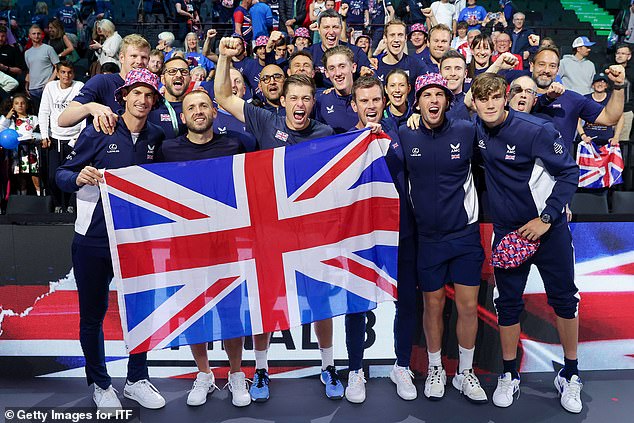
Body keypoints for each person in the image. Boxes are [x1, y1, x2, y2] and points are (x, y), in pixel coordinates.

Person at [214, 36, 339, 402]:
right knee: (266, 301)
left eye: (306, 99)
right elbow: (223, 96)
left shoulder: (325, 134)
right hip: (268, 232)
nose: (299, 104)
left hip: (310, 234)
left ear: (312, 103)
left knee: (321, 303)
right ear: (282, 101)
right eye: (293, 98)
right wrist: (223, 57)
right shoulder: (265, 121)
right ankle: (262, 370)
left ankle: (328, 366)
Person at [470, 73, 582, 413]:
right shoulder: (476, 130)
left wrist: (546, 218)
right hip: (507, 232)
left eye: (494, 98)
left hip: (548, 231)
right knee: (507, 304)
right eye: (481, 99)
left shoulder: (537, 131)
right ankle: (509, 375)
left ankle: (571, 374)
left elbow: (570, 173)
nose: (489, 104)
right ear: (474, 103)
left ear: (505, 98)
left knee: (564, 300)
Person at [55, 68, 166, 409]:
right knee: (93, 315)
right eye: (136, 93)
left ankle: (136, 379)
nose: (143, 100)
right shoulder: (99, 130)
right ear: (123, 97)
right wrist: (78, 177)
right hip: (93, 239)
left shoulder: (157, 137)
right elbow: (60, 173)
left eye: (149, 95)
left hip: (137, 239)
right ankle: (101, 384)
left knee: (141, 312)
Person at [158, 89, 250, 407]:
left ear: (214, 112)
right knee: (194, 313)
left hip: (228, 244)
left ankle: (236, 375)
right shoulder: (167, 150)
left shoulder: (236, 143)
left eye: (203, 106)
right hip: (186, 246)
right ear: (182, 117)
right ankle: (205, 374)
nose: (198, 111)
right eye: (191, 108)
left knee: (231, 313)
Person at [399, 73, 487, 404]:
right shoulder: (405, 134)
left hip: (464, 235)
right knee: (432, 305)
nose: (433, 100)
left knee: (467, 307)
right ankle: (436, 368)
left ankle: (465, 372)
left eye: (439, 95)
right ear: (417, 101)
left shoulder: (466, 130)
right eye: (427, 95)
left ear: (448, 101)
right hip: (428, 239)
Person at [347, 75, 419, 402]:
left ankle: (401, 365)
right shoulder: (343, 142)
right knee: (357, 303)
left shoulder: (401, 134)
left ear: (384, 101)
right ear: (355, 105)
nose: (371, 106)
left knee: (406, 300)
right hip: (360, 235)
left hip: (401, 232)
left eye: (376, 99)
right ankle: (355, 369)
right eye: (364, 101)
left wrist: (381, 141)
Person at [530, 46, 625, 150]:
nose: (546, 70)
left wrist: (618, 85)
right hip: (521, 164)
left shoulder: (572, 99)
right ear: (531, 66)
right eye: (541, 64)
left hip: (557, 165)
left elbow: (610, 118)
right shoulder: (518, 94)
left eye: (552, 66)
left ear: (557, 70)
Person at [58, 34, 151, 134]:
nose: (139, 61)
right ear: (122, 57)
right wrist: (89, 107)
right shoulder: (101, 82)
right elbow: (63, 120)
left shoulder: (151, 88)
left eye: (144, 57)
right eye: (134, 56)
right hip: (102, 146)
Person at [38, 61, 84, 213]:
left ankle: (71, 204)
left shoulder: (79, 86)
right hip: (55, 138)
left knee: (73, 174)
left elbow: (84, 112)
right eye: (63, 72)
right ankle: (58, 204)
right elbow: (44, 111)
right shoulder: (50, 87)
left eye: (69, 72)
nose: (66, 76)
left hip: (74, 137)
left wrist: (81, 136)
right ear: (57, 73)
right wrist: (44, 135)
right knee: (53, 176)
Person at [306, 8, 372, 88]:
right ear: (319, 29)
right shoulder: (309, 54)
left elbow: (371, 77)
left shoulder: (356, 53)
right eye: (326, 27)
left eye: (335, 27)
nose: (331, 32)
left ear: (341, 29)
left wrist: (366, 74)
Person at [374, 20, 425, 104]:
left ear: (405, 38)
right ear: (385, 38)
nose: (396, 40)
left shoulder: (416, 64)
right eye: (392, 35)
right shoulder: (375, 65)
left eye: (400, 35)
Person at [0, 93, 41, 196]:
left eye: (23, 103)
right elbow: (1, 130)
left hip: (31, 151)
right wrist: (7, 117)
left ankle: (40, 197)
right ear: (13, 106)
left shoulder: (33, 118)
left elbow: (41, 134)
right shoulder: (10, 121)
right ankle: (22, 198)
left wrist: (33, 137)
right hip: (16, 153)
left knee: (35, 175)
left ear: (27, 105)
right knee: (20, 178)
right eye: (17, 103)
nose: (20, 105)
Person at [315, 45, 359, 133]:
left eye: (342, 66)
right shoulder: (320, 100)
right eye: (332, 68)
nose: (338, 73)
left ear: (353, 68)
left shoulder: (367, 98)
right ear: (326, 73)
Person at [148, 56, 190, 138]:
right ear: (163, 79)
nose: (179, 75)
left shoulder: (196, 107)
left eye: (184, 72)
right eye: (172, 71)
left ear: (190, 79)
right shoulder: (150, 106)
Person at [577, 73, 622, 147]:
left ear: (606, 86)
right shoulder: (585, 99)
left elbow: (620, 117)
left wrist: (616, 137)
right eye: (597, 82)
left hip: (608, 141)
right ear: (592, 85)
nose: (600, 84)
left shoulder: (612, 99)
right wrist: (583, 136)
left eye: (603, 82)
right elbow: (577, 119)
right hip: (587, 141)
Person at [24, 25, 59, 101]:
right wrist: (27, 85)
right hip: (32, 89)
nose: (36, 36)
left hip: (46, 87)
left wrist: (49, 82)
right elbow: (30, 70)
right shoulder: (27, 53)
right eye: (34, 34)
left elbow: (58, 67)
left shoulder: (48, 49)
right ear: (29, 35)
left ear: (42, 35)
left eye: (38, 33)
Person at [441, 50, 470, 120]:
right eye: (447, 68)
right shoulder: (434, 102)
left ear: (465, 73)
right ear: (440, 72)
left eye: (458, 68)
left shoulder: (471, 103)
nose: (453, 73)